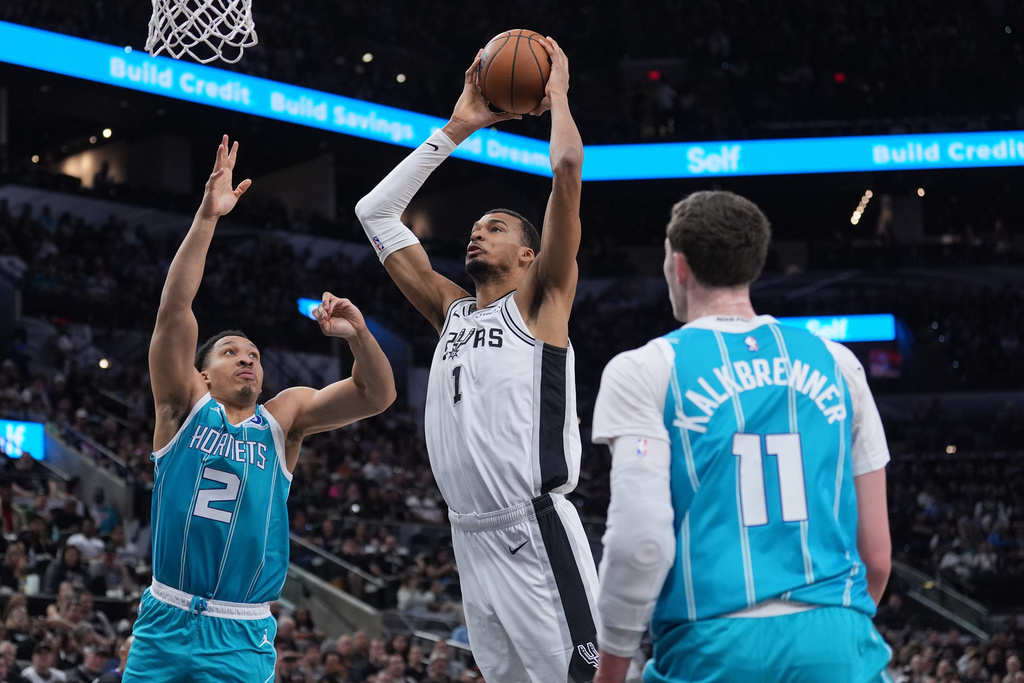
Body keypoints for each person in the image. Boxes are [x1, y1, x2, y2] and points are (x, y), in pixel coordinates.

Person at [354, 37, 598, 683]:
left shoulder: (542, 301)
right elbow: (374, 211)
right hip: (469, 536)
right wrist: (457, 127)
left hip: (533, 530)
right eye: (476, 226)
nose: (477, 232)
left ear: (528, 255)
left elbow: (567, 168)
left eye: (496, 228)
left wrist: (557, 95)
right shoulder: (451, 311)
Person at [123, 136, 397, 683]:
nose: (247, 359)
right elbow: (175, 309)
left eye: (253, 354)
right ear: (202, 374)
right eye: (231, 352)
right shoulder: (181, 407)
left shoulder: (284, 418)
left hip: (242, 632)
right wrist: (207, 217)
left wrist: (360, 336)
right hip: (165, 619)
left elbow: (376, 396)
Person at [590, 190, 893, 683]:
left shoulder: (644, 369)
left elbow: (640, 542)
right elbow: (876, 557)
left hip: (712, 645)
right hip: (837, 640)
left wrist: (611, 670)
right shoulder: (840, 363)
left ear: (679, 266)